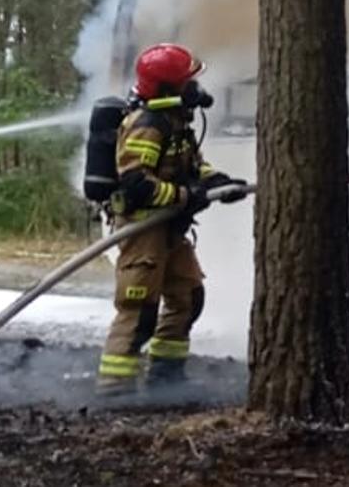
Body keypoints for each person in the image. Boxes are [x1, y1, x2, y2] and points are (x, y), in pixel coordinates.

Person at [96, 43, 247, 397]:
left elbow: (191, 166)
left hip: (170, 229)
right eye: (187, 82)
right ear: (168, 88)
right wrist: (186, 196)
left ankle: (165, 377)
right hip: (143, 231)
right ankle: (115, 388)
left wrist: (216, 181)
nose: (194, 88)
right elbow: (136, 186)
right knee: (139, 311)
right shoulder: (146, 125)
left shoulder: (176, 122)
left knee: (188, 297)